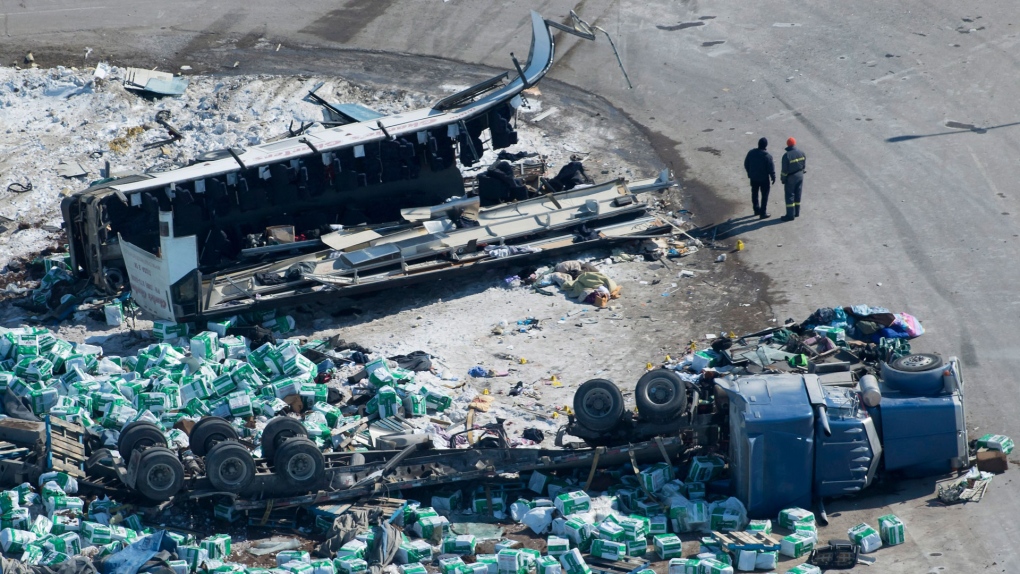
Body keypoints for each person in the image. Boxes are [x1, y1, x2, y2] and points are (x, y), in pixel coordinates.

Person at [743, 137, 775, 219]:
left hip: (753, 178)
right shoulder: (767, 156)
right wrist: (773, 177)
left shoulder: (751, 153)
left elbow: (746, 164)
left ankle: (756, 209)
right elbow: (770, 168)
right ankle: (763, 212)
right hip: (764, 179)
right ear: (766, 145)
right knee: (764, 195)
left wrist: (749, 173)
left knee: (754, 193)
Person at [780, 137, 806, 221]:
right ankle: (797, 212)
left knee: (789, 195)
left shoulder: (787, 155)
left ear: (788, 144)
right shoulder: (802, 153)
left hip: (791, 177)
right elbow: (803, 165)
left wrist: (783, 179)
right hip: (800, 175)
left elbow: (784, 170)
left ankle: (790, 215)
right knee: (798, 193)